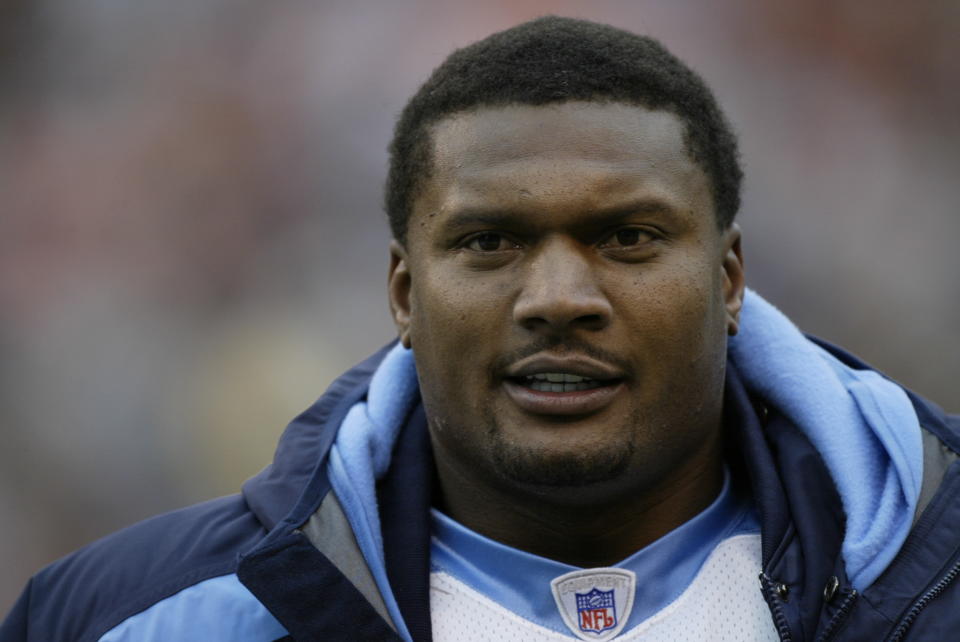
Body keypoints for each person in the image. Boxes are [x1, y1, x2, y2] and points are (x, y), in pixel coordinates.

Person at [2, 16, 958, 642]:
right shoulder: (132, 619)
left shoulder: (933, 572)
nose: (557, 297)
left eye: (627, 237)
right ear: (403, 293)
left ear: (731, 277)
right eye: (491, 242)